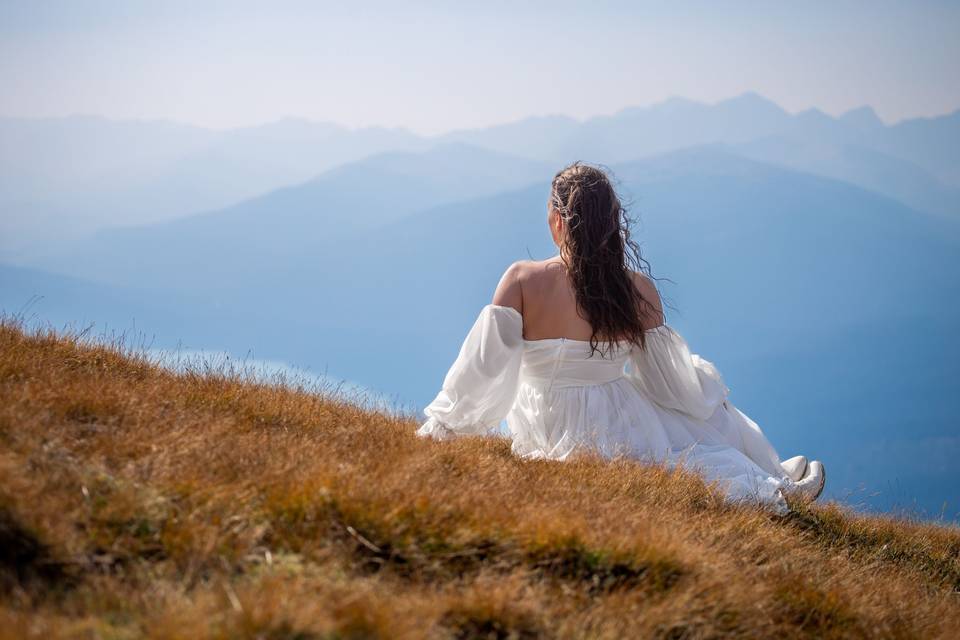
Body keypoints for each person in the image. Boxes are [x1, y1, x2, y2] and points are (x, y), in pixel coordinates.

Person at [415, 161, 825, 514]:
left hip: (543, 421)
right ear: (612, 224)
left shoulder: (521, 279)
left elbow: (483, 369)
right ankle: (774, 479)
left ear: (558, 219)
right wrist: (707, 393)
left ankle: (772, 477)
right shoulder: (637, 289)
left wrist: (445, 424)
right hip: (618, 414)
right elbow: (669, 382)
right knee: (705, 416)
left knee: (701, 423)